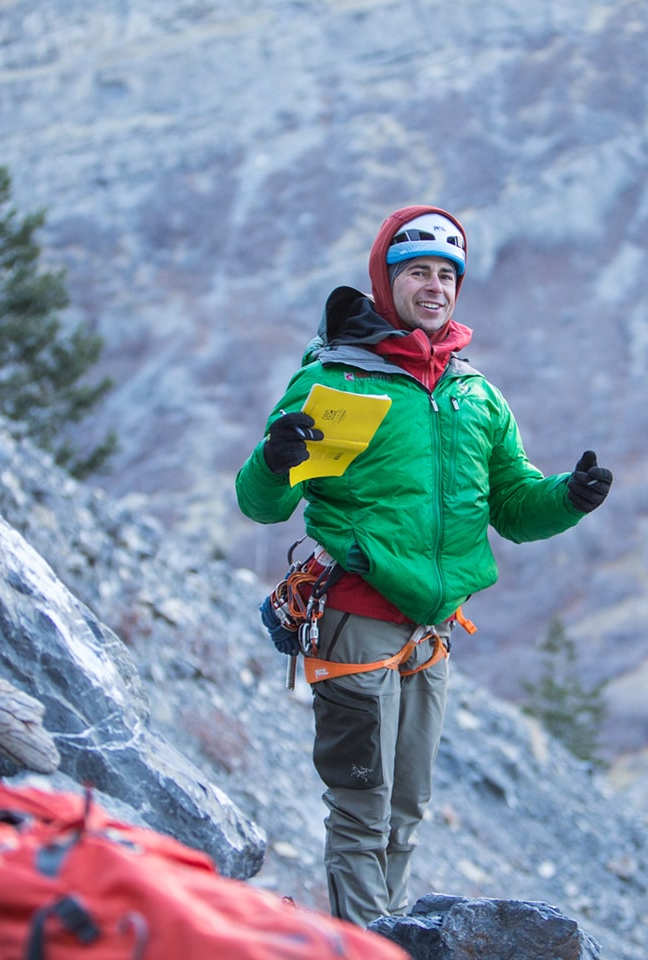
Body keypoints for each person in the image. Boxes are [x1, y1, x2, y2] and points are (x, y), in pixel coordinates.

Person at [235, 205, 612, 927]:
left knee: (406, 808)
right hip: (356, 615)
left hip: (430, 634)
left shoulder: (476, 396)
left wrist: (571, 497)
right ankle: (367, 946)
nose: (434, 286)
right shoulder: (339, 378)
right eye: (418, 272)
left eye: (447, 274)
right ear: (388, 281)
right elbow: (258, 503)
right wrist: (275, 458)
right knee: (361, 807)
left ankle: (389, 933)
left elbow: (514, 507)